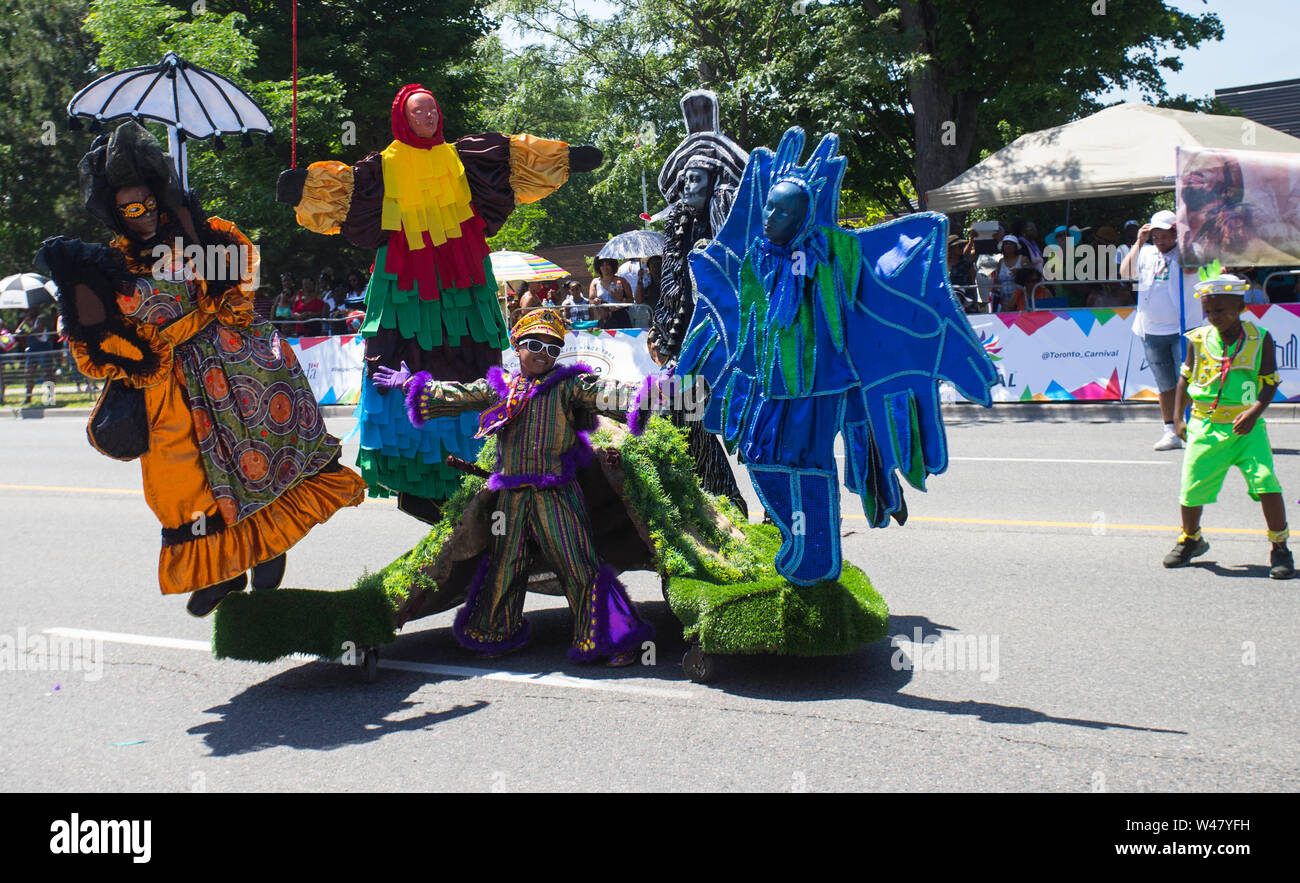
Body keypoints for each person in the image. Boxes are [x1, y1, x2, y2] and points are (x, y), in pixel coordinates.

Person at [36, 121, 366, 616]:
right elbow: (95, 346)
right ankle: (224, 570)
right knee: (181, 484)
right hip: (164, 389)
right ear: (115, 213)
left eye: (149, 203)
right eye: (130, 209)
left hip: (225, 367)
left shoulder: (200, 237)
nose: (143, 215)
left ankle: (269, 543)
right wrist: (139, 351)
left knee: (253, 459)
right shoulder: (104, 267)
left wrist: (199, 246)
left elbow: (241, 285)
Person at [277, 82, 602, 520]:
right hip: (403, 284)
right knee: (404, 356)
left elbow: (510, 160)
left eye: (433, 111)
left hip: (464, 281)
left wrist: (567, 160)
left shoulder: (463, 156)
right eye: (419, 112)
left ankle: (486, 463)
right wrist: (304, 188)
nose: (429, 118)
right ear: (403, 119)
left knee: (472, 359)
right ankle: (419, 482)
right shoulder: (383, 167)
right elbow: (348, 192)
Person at [371, 309, 657, 664]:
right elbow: (459, 395)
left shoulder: (568, 386)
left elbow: (605, 392)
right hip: (509, 499)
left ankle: (614, 638)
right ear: (516, 345)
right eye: (534, 344)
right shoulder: (501, 386)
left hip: (556, 495)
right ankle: (496, 631)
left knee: (578, 564)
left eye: (553, 348)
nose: (543, 353)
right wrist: (412, 383)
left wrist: (653, 391)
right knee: (505, 566)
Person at [1162, 272, 1293, 578]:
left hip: (1247, 429)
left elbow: (1270, 383)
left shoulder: (1260, 338)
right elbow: (1185, 379)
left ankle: (1280, 547)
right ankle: (1191, 539)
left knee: (1266, 484)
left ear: (1240, 307)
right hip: (1205, 428)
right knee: (1191, 489)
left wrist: (1255, 412)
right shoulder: (1197, 339)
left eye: (1219, 310)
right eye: (1207, 311)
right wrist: (1179, 419)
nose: (1212, 317)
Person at [1120, 209, 1200, 451]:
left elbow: (1190, 269)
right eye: (1155, 235)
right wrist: (1138, 241)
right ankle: (1170, 431)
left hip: (1181, 329)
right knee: (1165, 384)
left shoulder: (1187, 253)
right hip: (1151, 330)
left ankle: (1194, 428)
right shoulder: (1145, 252)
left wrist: (1185, 236)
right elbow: (1125, 273)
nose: (1159, 240)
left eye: (1164, 235)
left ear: (1175, 233)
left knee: (1190, 382)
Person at [16, 306, 57, 404]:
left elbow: (38, 333)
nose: (28, 313)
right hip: (32, 350)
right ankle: (28, 397)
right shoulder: (26, 321)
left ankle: (50, 397)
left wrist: (28, 329)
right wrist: (23, 329)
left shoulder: (40, 319)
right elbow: (18, 331)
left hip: (43, 348)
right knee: (29, 373)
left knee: (48, 373)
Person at [992, 235, 1031, 312]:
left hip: (1020, 301)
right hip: (1003, 302)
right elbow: (997, 281)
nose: (1008, 245)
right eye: (1006, 243)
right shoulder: (1000, 262)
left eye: (1011, 243)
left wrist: (1021, 272)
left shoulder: (1023, 259)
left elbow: (1031, 278)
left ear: (1016, 246)